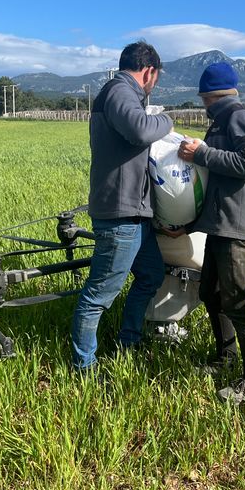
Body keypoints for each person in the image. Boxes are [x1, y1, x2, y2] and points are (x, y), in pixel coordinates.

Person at [70, 41, 173, 372]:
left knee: (151, 274)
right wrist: (167, 120)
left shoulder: (125, 93)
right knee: (98, 295)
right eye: (156, 78)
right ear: (149, 72)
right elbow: (140, 130)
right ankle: (84, 367)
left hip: (135, 213)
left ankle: (129, 341)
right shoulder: (119, 91)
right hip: (120, 214)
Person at [178, 62, 245, 404]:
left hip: (235, 227)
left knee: (237, 300)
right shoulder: (221, 120)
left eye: (203, 98)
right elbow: (215, 182)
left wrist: (203, 152)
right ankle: (226, 357)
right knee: (211, 294)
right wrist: (187, 226)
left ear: (208, 95)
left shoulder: (238, 116)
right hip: (219, 225)